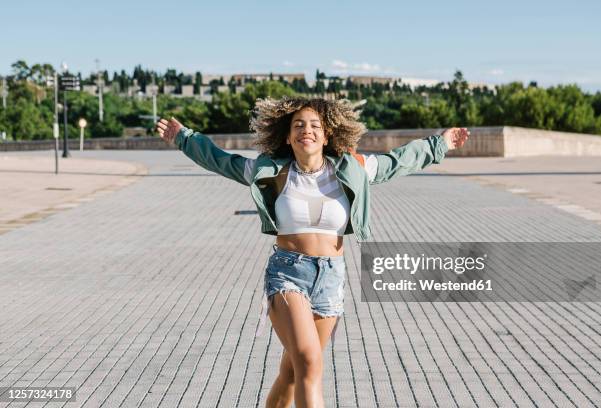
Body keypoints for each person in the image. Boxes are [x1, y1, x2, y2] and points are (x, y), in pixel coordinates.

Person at [156, 96, 469, 408]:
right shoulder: (270, 170)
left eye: (315, 125)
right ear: (289, 136)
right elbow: (221, 160)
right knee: (309, 361)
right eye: (299, 125)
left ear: (327, 134)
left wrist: (439, 144)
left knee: (292, 373)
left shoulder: (353, 168)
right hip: (288, 274)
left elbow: (398, 161)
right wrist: (184, 138)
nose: (307, 130)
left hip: (331, 279)